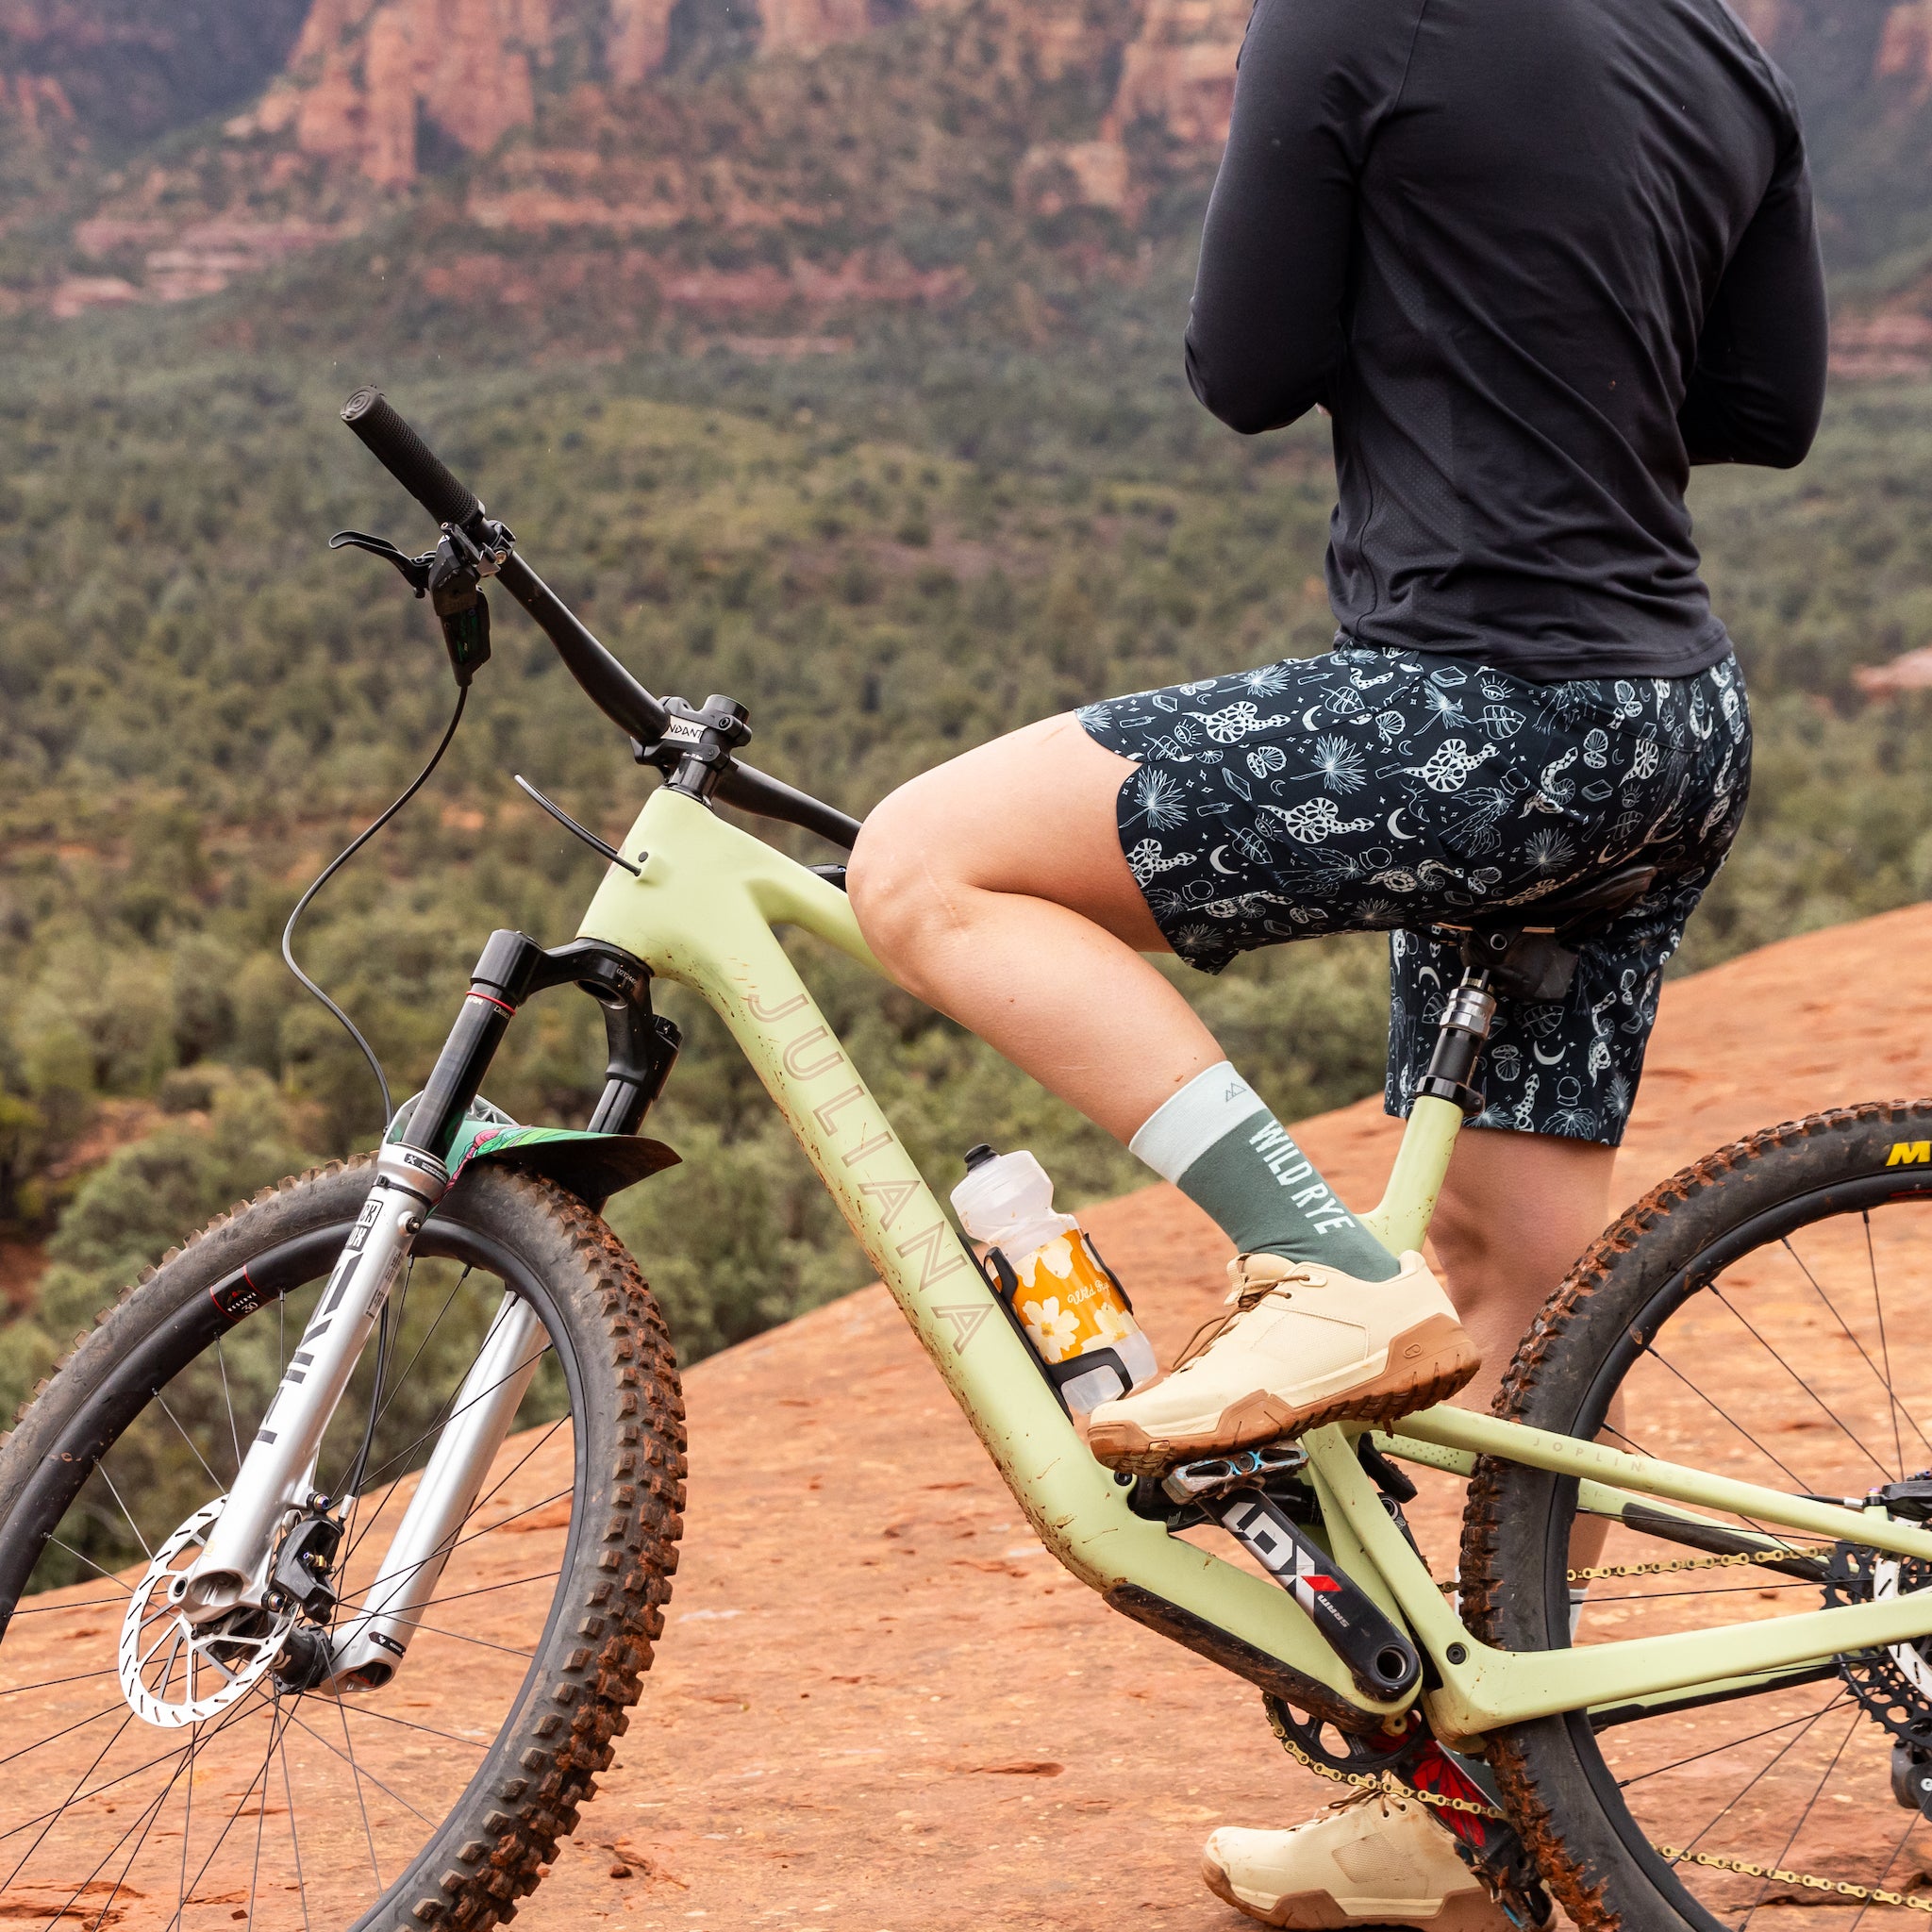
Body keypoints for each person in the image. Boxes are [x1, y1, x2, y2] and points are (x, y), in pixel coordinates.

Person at [848, 0, 1826, 1916]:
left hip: (1479, 704)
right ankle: (1469, 1824)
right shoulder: (1718, 45)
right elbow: (1769, 411)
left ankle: (1303, 1249)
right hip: (1665, 718)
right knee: (1521, 1299)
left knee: (926, 863)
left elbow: (1240, 364)